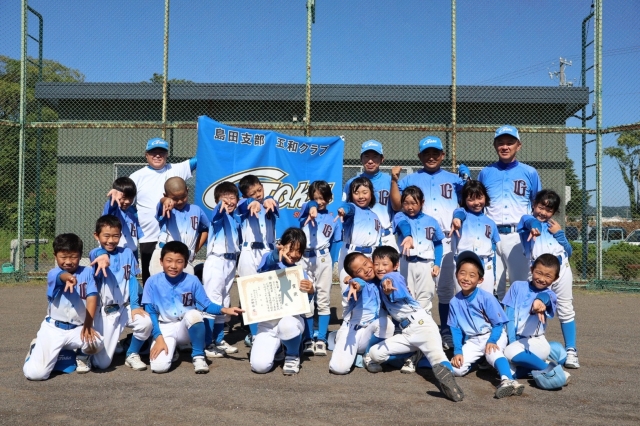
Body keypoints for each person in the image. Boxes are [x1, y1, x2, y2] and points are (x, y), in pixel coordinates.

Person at [390, 136, 469, 349]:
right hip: (417, 240)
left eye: (436, 153)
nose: (431, 157)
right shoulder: (409, 179)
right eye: (427, 153)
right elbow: (397, 206)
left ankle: (446, 331)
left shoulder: (454, 179)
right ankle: (410, 330)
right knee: (411, 290)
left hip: (446, 238)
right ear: (420, 156)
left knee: (445, 288)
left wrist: (467, 181)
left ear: (443, 155)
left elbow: (467, 202)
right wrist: (394, 180)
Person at [367, 246, 464, 402]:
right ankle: (415, 353)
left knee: (437, 357)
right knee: (374, 354)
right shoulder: (379, 282)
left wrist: (387, 286)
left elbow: (390, 283)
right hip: (406, 333)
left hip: (422, 325)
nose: (380, 268)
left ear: (396, 265)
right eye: (376, 264)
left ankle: (449, 382)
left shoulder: (393, 277)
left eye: (385, 264)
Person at [142, 241, 244, 374]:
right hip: (164, 327)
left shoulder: (193, 280)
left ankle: (198, 356)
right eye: (169, 261)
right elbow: (150, 312)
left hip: (185, 327)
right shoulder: (152, 282)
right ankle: (173, 349)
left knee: (194, 314)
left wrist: (225, 310)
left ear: (185, 264)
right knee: (159, 367)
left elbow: (206, 305)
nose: (173, 266)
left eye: (179, 261)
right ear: (161, 261)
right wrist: (158, 337)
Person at [108, 137, 196, 284]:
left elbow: (199, 159)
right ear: (146, 155)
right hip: (148, 235)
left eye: (161, 152)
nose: (157, 155)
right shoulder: (136, 176)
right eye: (153, 152)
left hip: (172, 236)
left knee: (176, 275)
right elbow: (127, 204)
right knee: (150, 278)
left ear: (167, 154)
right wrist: (137, 220)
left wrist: (207, 132)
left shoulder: (176, 169)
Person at [23, 234, 104, 380]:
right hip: (54, 329)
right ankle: (35, 349)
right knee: (36, 375)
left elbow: (92, 296)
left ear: (80, 256)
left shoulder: (87, 272)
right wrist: (69, 278)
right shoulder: (53, 273)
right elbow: (62, 276)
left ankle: (81, 356)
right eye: (63, 257)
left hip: (77, 328)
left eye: (73, 257)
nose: (68, 261)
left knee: (96, 342)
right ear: (55, 256)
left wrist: (88, 325)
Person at [448, 251, 524, 399]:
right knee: (456, 369)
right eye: (462, 273)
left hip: (494, 334)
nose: (466, 278)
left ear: (480, 279)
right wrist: (457, 351)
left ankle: (508, 380)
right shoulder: (454, 302)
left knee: (492, 353)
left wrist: (492, 340)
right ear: (456, 275)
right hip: (474, 339)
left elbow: (498, 324)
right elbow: (455, 329)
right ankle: (480, 360)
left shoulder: (487, 298)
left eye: (472, 275)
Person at [478, 125, 541, 300]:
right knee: (491, 288)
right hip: (491, 235)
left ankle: (517, 319)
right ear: (495, 146)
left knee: (519, 287)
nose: (505, 147)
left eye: (510, 143)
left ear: (518, 146)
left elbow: (537, 204)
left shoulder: (530, 172)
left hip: (518, 236)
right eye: (500, 143)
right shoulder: (485, 173)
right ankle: (495, 318)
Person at [517, 189, 579, 368]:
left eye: (549, 210)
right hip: (539, 273)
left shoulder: (554, 226)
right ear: (534, 204)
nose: (543, 212)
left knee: (566, 309)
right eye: (540, 207)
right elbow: (529, 221)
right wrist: (534, 226)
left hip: (561, 269)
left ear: (554, 212)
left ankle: (571, 351)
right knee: (535, 308)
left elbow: (568, 251)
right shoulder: (527, 221)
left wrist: (560, 234)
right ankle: (529, 348)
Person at [89, 215, 153, 372]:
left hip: (125, 307)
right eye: (106, 236)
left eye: (115, 236)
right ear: (96, 236)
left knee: (145, 322)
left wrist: (135, 305)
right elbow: (98, 254)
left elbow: (132, 279)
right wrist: (102, 256)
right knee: (102, 364)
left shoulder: (127, 253)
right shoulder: (95, 253)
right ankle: (80, 352)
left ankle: (131, 353)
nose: (111, 240)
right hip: (105, 312)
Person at [249, 228, 315, 376]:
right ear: (282, 245)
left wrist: (311, 291)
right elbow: (268, 262)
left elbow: (304, 303)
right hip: (268, 323)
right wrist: (276, 253)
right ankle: (279, 348)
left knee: (287, 325)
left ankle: (292, 354)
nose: (294, 254)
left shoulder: (300, 272)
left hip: (291, 320)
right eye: (290, 249)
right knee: (259, 366)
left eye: (299, 251)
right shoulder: (269, 259)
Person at [503, 254, 570, 390]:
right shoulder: (517, 286)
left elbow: (545, 297)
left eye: (548, 276)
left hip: (536, 342)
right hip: (515, 341)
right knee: (505, 369)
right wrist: (512, 340)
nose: (542, 279)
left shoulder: (551, 295)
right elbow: (509, 315)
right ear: (532, 269)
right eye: (539, 273)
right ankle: (537, 366)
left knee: (509, 353)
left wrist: (539, 301)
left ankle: (550, 369)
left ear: (555, 278)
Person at [329, 252, 393, 376]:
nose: (366, 270)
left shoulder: (381, 279)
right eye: (359, 270)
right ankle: (340, 339)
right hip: (352, 331)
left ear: (370, 259)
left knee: (387, 323)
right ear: (353, 275)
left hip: (370, 334)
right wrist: (355, 285)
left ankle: (367, 355)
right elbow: (358, 283)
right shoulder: (356, 283)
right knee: (339, 369)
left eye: (365, 263)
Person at [236, 174, 280, 346]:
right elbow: (242, 206)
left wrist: (269, 199)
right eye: (252, 193)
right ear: (245, 195)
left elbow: (273, 204)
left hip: (268, 251)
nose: (258, 194)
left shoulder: (270, 202)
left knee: (269, 293)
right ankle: (255, 334)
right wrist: (250, 202)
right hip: (248, 251)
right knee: (250, 294)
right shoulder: (242, 204)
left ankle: (268, 331)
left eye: (259, 190)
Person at [201, 182, 242, 358]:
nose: (229, 202)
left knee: (223, 302)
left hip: (230, 263)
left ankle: (218, 340)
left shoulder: (235, 218)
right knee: (213, 301)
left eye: (232, 198)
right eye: (224, 198)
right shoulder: (218, 215)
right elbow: (217, 214)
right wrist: (221, 207)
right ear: (217, 201)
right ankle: (207, 343)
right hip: (216, 261)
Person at [393, 185, 444, 316]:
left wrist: (437, 264)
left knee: (425, 298)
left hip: (427, 264)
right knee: (406, 297)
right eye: (406, 203)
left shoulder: (431, 221)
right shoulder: (399, 216)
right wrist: (408, 236)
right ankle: (407, 326)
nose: (410, 207)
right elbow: (403, 225)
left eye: (414, 203)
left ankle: (424, 326)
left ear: (422, 202)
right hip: (406, 263)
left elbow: (438, 244)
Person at [299, 181, 336, 356]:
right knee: (306, 298)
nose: (319, 201)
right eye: (315, 198)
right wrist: (312, 206)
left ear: (329, 198)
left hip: (323, 257)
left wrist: (331, 262)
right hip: (304, 258)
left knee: (323, 299)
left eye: (323, 198)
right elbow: (308, 207)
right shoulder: (305, 210)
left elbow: (335, 243)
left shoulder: (333, 218)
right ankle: (307, 338)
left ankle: (321, 338)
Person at [148, 177, 209, 276]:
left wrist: (195, 250)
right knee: (161, 284)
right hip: (164, 254)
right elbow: (162, 203)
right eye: (175, 199)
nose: (180, 201)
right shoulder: (166, 208)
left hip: (185, 257)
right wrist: (165, 200)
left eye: (183, 197)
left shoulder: (197, 210)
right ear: (166, 195)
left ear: (187, 191)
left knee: (186, 285)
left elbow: (205, 229)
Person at [342, 140, 397, 250]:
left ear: (382, 159)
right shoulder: (352, 183)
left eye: (375, 157)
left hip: (386, 237)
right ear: (361, 159)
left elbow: (398, 208)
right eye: (366, 156)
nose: (370, 161)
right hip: (360, 237)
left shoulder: (391, 181)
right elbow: (344, 206)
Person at [449, 180, 500, 295]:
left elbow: (493, 250)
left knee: (485, 300)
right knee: (464, 300)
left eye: (479, 198)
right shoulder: (462, 214)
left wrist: (494, 274)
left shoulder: (491, 223)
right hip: (464, 264)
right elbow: (458, 212)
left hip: (486, 265)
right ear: (464, 200)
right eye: (471, 199)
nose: (476, 203)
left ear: (485, 197)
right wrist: (457, 220)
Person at [336, 177, 382, 303]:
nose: (361, 196)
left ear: (371, 194)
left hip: (370, 257)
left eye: (365, 192)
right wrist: (343, 210)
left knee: (370, 293)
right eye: (356, 193)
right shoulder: (353, 208)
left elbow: (379, 242)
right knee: (349, 294)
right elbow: (348, 208)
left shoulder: (376, 216)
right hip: (351, 255)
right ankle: (348, 316)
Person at [102, 177, 143, 259]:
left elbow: (136, 237)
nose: (127, 201)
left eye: (130, 198)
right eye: (124, 198)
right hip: (114, 253)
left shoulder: (133, 213)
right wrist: (113, 197)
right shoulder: (114, 210)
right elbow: (111, 205)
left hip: (132, 254)